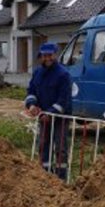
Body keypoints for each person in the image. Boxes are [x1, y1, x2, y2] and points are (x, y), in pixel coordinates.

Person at [24, 42, 72, 180]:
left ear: (55, 55)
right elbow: (31, 91)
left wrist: (50, 113)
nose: (47, 58)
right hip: (44, 116)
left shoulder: (63, 75)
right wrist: (32, 105)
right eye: (44, 55)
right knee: (43, 145)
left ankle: (61, 179)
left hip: (60, 118)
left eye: (50, 55)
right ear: (41, 56)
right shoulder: (37, 73)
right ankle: (45, 176)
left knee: (61, 148)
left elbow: (64, 100)